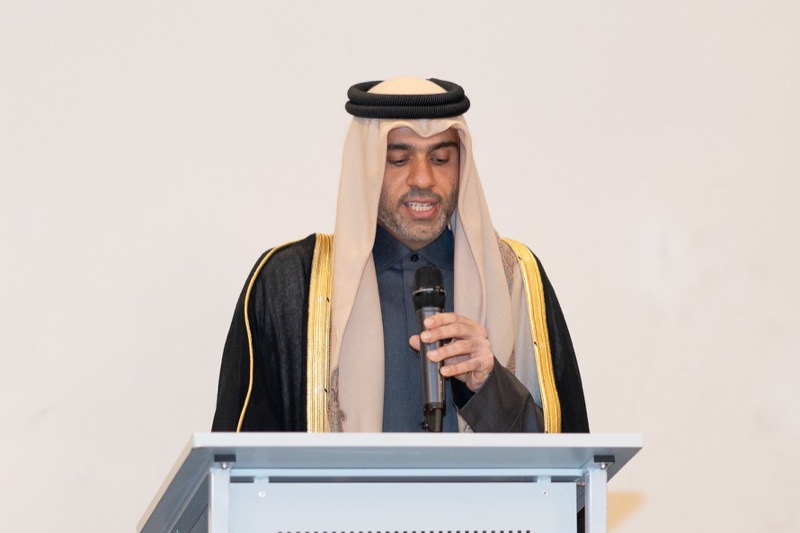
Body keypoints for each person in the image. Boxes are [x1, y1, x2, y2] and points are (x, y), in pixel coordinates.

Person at [211, 77, 589, 434]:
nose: (423, 179)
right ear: (368, 167)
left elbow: (566, 458)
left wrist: (489, 385)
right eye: (399, 160)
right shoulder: (290, 285)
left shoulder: (516, 280)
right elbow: (241, 462)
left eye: (440, 159)